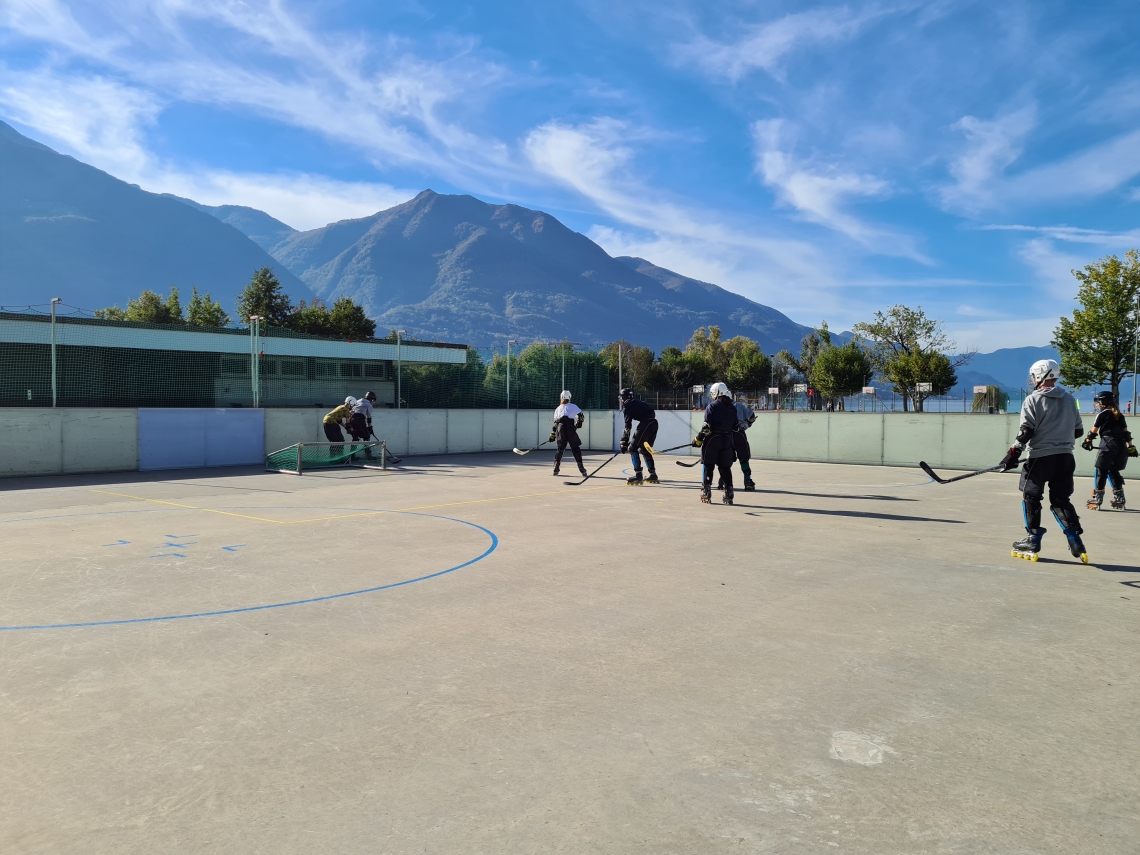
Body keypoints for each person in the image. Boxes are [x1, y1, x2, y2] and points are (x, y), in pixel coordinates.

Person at [998, 359, 1087, 562]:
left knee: (1031, 496)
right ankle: (1074, 538)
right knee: (1061, 500)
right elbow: (1079, 430)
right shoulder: (1070, 399)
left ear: (1040, 376)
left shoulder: (1033, 399)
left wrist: (1013, 454)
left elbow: (1026, 431)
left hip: (1040, 458)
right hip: (1065, 458)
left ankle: (1033, 537)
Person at [1082, 390, 1137, 510]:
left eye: (1098, 402)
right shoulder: (1119, 415)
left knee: (1101, 471)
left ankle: (1097, 497)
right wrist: (1131, 447)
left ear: (1103, 402)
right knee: (1114, 471)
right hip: (1121, 446)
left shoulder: (1102, 414)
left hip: (1108, 444)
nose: (1097, 405)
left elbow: (1093, 431)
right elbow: (1126, 433)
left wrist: (1087, 441)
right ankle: (1119, 497)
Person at [692, 382, 738, 504]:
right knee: (725, 468)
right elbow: (736, 426)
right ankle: (729, 492)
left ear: (717, 393)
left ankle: (706, 491)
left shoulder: (712, 407)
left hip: (713, 440)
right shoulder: (733, 408)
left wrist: (698, 439)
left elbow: (706, 427)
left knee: (709, 465)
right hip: (727, 440)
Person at [619, 387, 659, 485]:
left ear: (623, 397)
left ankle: (638, 475)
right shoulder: (639, 402)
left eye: (621, 397)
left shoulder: (627, 405)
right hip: (654, 423)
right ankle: (652, 474)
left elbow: (628, 425)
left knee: (632, 448)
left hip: (646, 424)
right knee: (644, 450)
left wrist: (624, 441)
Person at [549, 390, 588, 478]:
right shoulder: (573, 406)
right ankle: (581, 468)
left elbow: (555, 423)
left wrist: (553, 434)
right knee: (575, 449)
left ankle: (556, 467)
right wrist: (577, 425)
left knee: (560, 449)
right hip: (570, 428)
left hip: (560, 428)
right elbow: (581, 416)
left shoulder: (558, 408)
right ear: (569, 398)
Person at [732, 394, 757, 491]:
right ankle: (747, 481)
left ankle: (723, 481)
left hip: (726, 435)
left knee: (726, 459)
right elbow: (752, 416)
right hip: (739, 434)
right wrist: (748, 424)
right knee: (743, 458)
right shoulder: (739, 406)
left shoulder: (718, 407)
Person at [349, 391, 378, 459]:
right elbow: (369, 417)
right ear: (371, 398)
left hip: (351, 420)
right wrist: (370, 427)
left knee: (355, 438)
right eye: (372, 399)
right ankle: (369, 456)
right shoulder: (368, 405)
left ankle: (352, 456)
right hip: (359, 420)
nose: (372, 401)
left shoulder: (358, 401)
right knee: (367, 436)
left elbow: (351, 411)